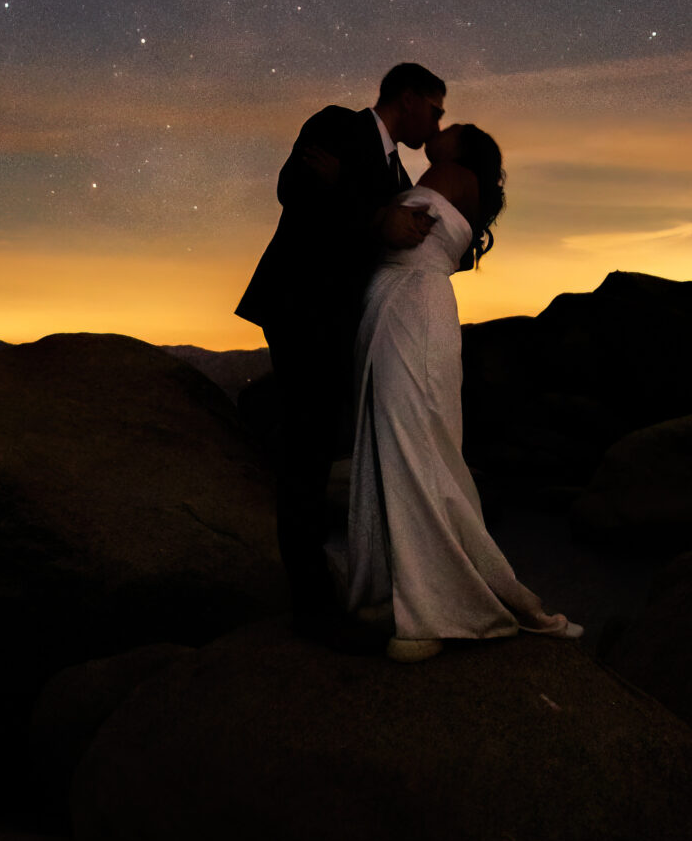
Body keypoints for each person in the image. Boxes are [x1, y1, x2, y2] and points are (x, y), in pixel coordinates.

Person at [343, 121, 583, 662]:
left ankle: (433, 607)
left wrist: (363, 204)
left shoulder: (449, 173)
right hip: (404, 303)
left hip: (411, 305)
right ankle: (405, 587)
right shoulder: (452, 181)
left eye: (449, 126)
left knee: (412, 441)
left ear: (463, 148)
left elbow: (394, 228)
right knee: (406, 438)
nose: (438, 126)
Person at [236, 62, 449, 634]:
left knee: (320, 444)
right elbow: (294, 191)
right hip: (301, 307)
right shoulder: (336, 124)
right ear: (409, 98)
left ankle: (325, 580)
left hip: (345, 322)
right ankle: (310, 601)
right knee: (306, 448)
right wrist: (376, 217)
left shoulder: (398, 173)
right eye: (435, 111)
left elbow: (392, 236)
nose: (436, 124)